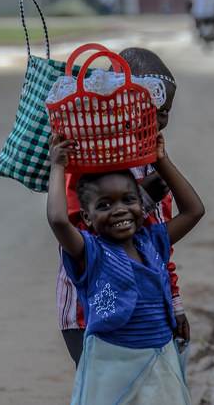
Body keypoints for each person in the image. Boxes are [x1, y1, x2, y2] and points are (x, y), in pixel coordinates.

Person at [47, 128, 205, 404]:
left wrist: (160, 160)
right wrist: (58, 166)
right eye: (105, 205)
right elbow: (59, 220)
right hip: (111, 365)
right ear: (87, 217)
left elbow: (194, 211)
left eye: (129, 200)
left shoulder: (152, 242)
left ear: (142, 203)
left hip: (159, 360)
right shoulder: (90, 253)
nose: (119, 209)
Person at [57, 47, 186, 367]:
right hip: (91, 313)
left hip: (147, 311)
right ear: (119, 102)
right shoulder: (88, 157)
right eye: (149, 107)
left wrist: (174, 303)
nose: (157, 119)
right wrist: (142, 197)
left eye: (165, 111)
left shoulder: (154, 161)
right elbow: (82, 236)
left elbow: (159, 245)